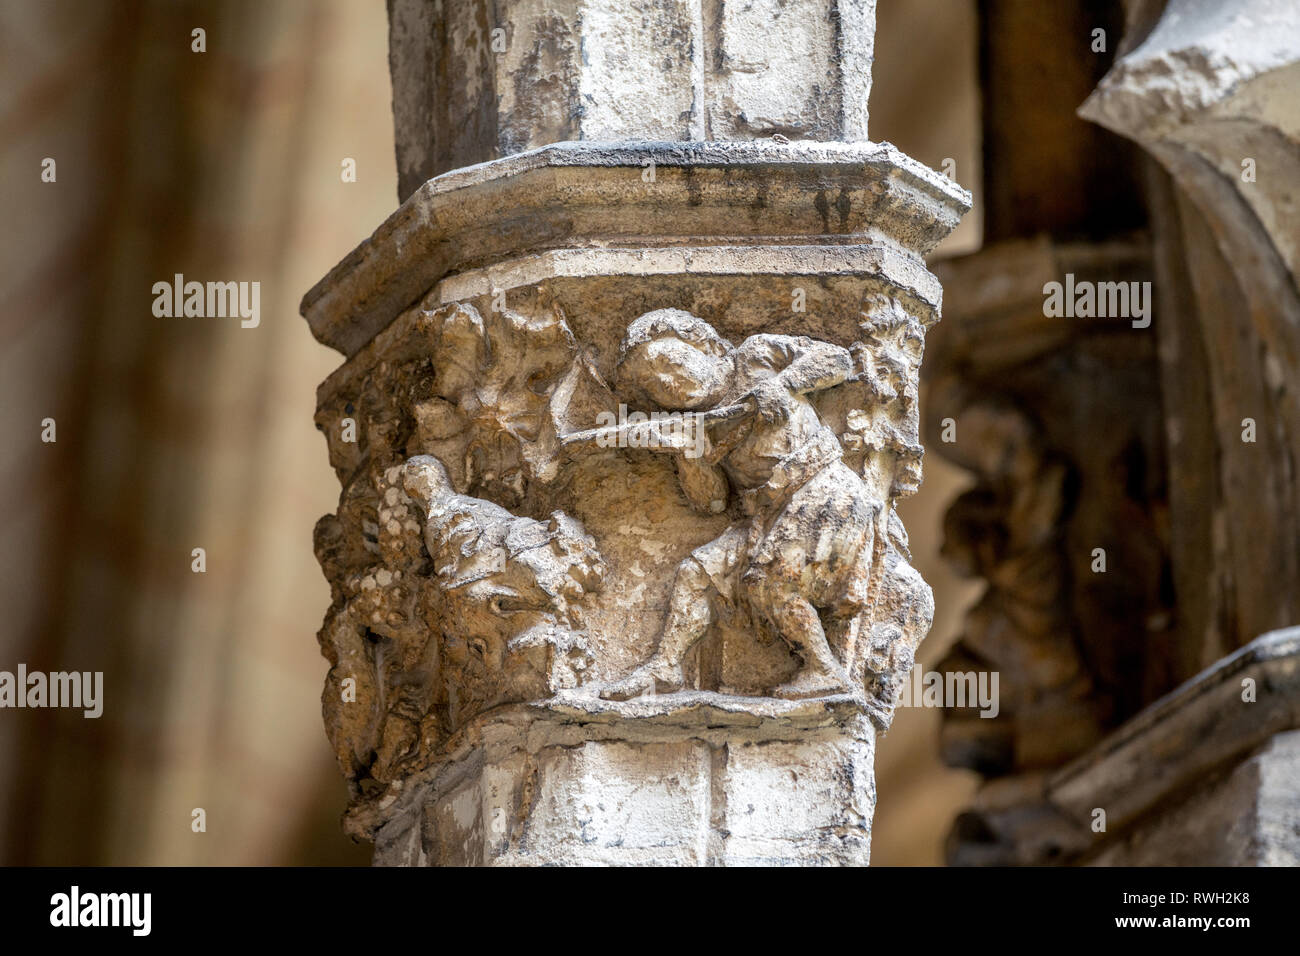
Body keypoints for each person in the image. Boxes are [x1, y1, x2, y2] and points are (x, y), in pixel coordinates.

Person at [596, 309, 882, 700]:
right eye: (653, 384)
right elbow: (713, 503)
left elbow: (839, 360)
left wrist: (786, 384)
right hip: (768, 516)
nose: (667, 381)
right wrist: (687, 455)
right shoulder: (702, 427)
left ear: (708, 347)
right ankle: (665, 669)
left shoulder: (754, 356)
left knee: (771, 580)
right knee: (696, 573)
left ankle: (824, 669)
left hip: (824, 492)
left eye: (670, 361)